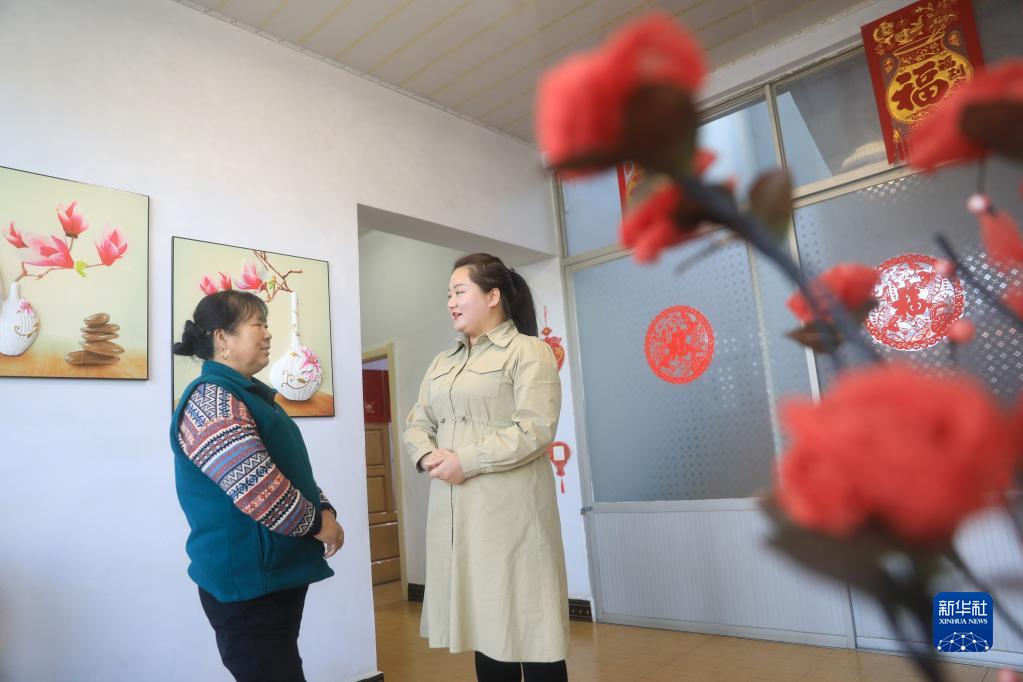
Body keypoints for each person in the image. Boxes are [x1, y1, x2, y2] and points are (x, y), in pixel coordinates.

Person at [404, 253, 569, 682]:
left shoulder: (529, 351)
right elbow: (418, 421)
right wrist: (426, 454)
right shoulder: (443, 362)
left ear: (493, 296)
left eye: (459, 292)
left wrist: (465, 460)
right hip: (457, 513)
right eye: (448, 294)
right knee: (485, 625)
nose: (450, 302)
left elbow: (535, 429)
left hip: (511, 516)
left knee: (532, 628)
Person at [170, 290, 344, 682]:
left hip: (271, 577)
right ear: (223, 338)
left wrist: (324, 506)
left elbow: (287, 469)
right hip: (247, 585)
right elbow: (258, 488)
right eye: (258, 324)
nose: (267, 334)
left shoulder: (249, 395)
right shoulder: (212, 400)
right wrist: (320, 524)